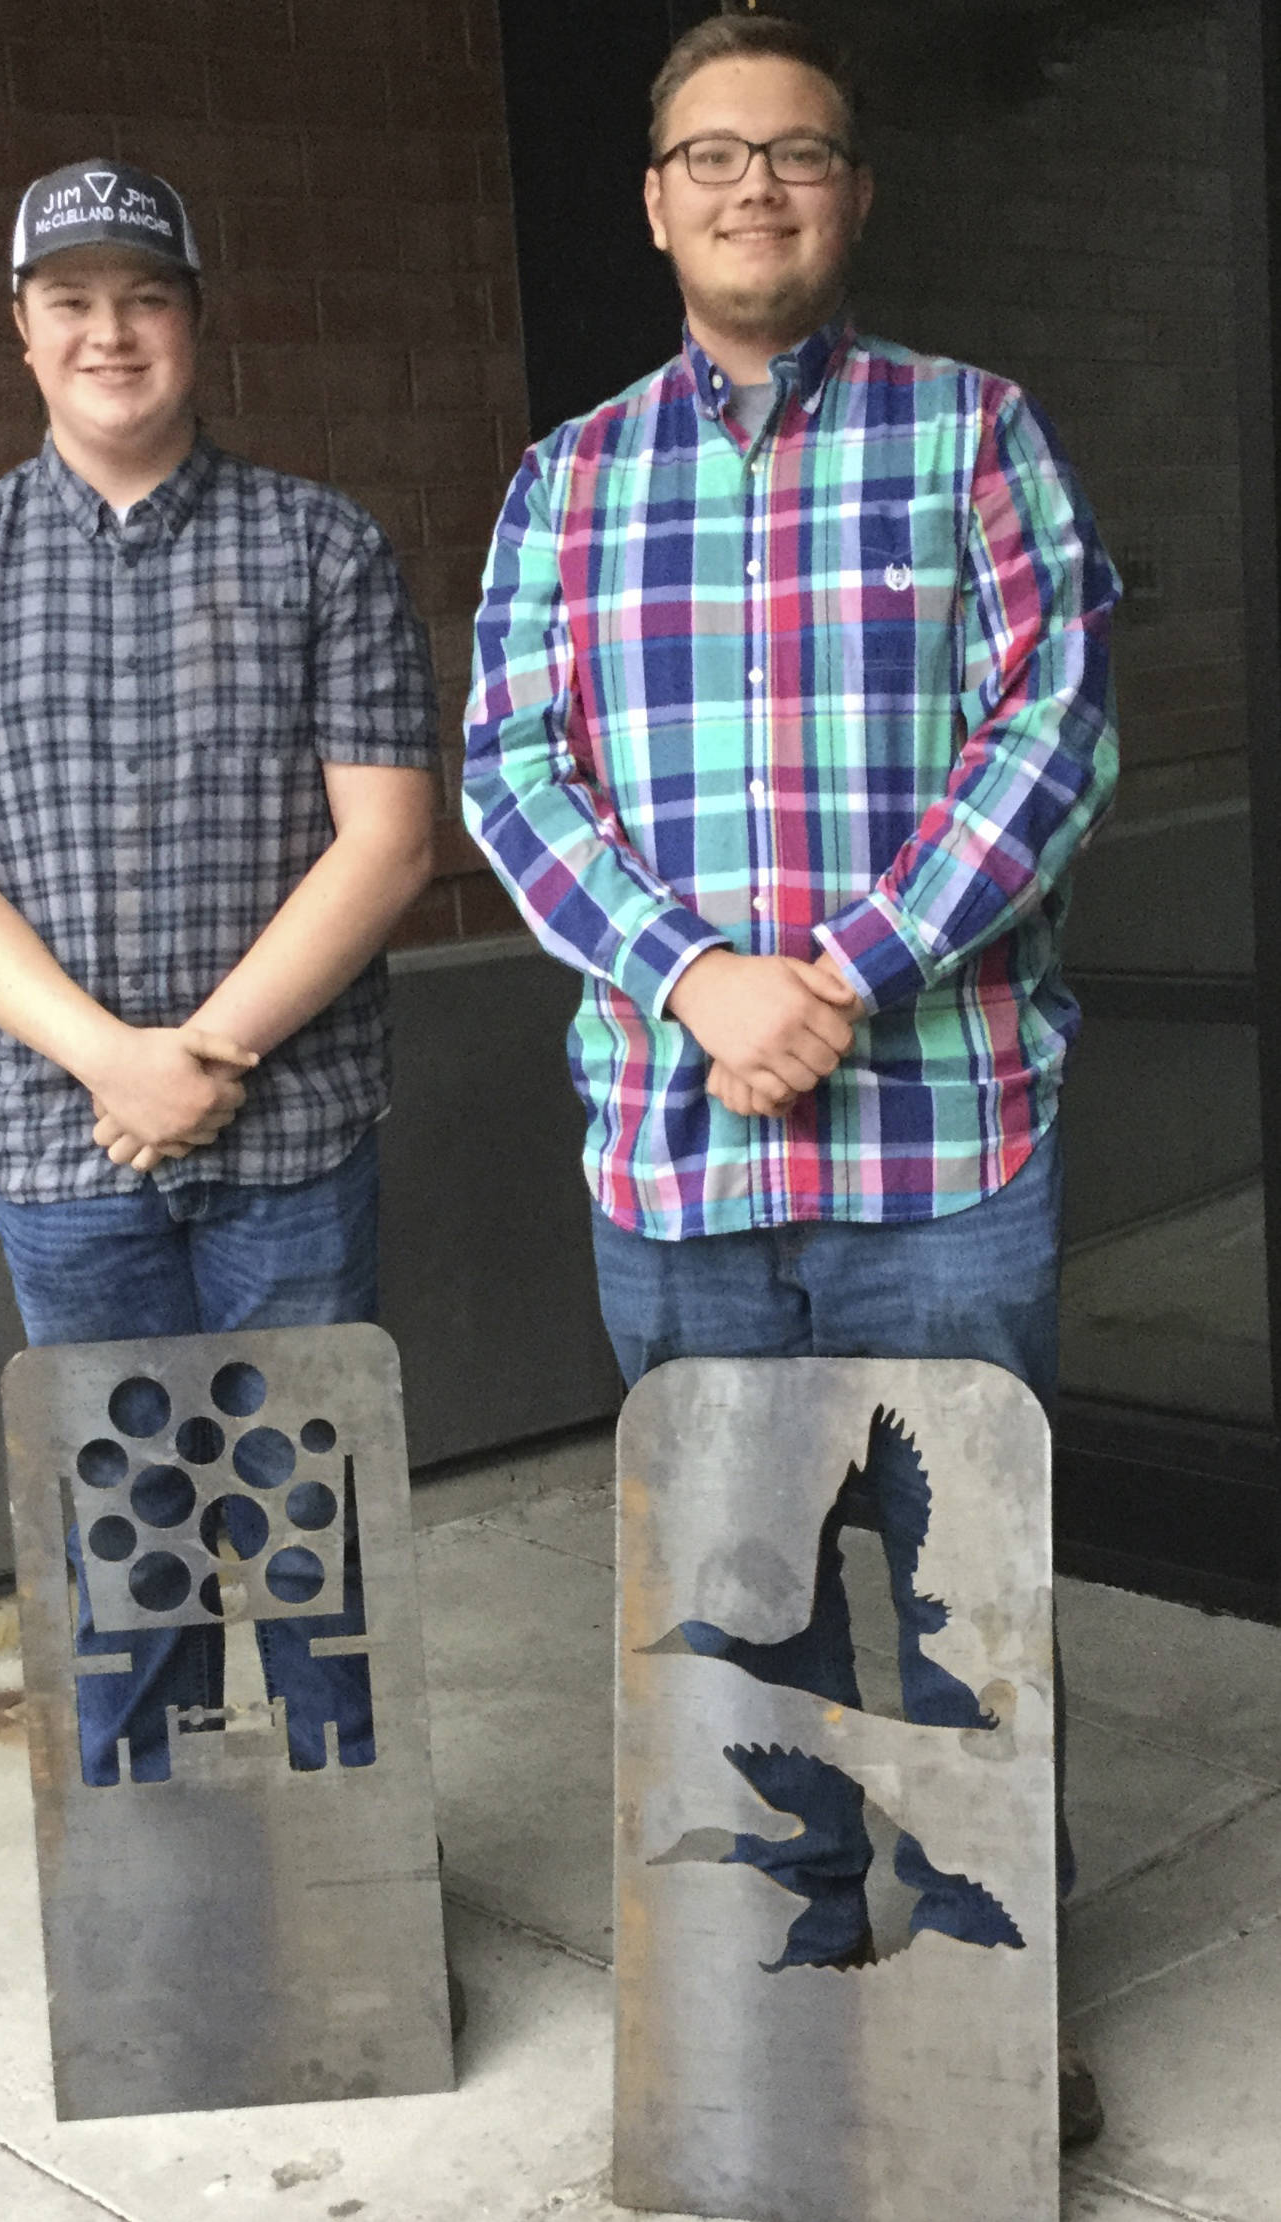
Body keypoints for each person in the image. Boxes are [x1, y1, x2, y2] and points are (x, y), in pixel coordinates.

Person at [462, 12, 1115, 2145]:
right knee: (728, 1620)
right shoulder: (561, 484)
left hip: (941, 1147)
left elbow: (1052, 735)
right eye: (712, 156)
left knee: (956, 1610)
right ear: (651, 201)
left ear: (851, 194)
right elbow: (511, 775)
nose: (755, 187)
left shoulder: (974, 435)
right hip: (673, 1155)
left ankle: (981, 2023)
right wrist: (693, 981)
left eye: (798, 155)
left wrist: (826, 970)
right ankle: (782, 2014)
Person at [0, 160, 440, 1794]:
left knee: (311, 1535)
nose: (111, 330)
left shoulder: (320, 544)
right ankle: (156, 1926)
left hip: (295, 1137)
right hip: (64, 1154)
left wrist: (209, 1053)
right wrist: (112, 1060)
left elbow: (387, 842)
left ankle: (352, 1902)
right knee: (120, 1554)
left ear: (194, 318)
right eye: (72, 301)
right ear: (23, 335)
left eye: (146, 295)